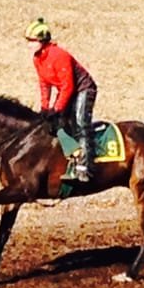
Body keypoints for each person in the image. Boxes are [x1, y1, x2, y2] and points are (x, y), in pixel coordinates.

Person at [25, 17, 98, 183]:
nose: (29, 44)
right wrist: (45, 108)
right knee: (58, 124)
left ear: (42, 41)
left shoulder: (58, 55)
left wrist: (57, 108)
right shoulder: (37, 58)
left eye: (32, 40)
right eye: (28, 40)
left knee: (80, 123)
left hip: (83, 89)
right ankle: (69, 158)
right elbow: (44, 83)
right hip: (66, 90)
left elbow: (68, 85)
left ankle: (85, 167)